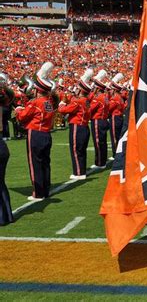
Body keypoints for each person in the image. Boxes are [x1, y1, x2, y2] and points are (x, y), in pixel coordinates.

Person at [15, 62, 57, 201]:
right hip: (46, 134)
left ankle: (38, 193)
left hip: (36, 134)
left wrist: (19, 108)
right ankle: (45, 190)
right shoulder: (48, 101)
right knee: (45, 163)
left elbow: (22, 117)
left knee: (35, 163)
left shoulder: (35, 102)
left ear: (38, 89)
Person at [58, 69, 92, 180]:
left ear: (81, 90)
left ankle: (78, 173)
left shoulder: (78, 101)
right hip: (84, 126)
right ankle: (81, 170)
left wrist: (62, 103)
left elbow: (63, 110)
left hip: (77, 126)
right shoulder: (85, 100)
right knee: (81, 150)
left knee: (76, 150)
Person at [0, 73, 14, 225]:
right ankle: (8, 215)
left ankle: (2, 218)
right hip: (2, 147)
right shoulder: (3, 106)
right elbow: (9, 95)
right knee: (1, 183)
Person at [89, 69, 110, 169]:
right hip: (103, 120)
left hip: (98, 120)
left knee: (98, 142)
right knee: (103, 142)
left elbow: (90, 109)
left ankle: (100, 163)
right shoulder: (104, 96)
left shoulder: (98, 98)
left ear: (97, 89)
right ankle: (103, 160)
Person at [108, 73, 125, 158]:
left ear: (114, 90)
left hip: (115, 117)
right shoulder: (120, 97)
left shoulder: (115, 98)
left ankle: (115, 154)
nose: (110, 91)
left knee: (114, 137)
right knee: (119, 136)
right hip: (120, 117)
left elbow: (109, 108)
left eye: (111, 90)